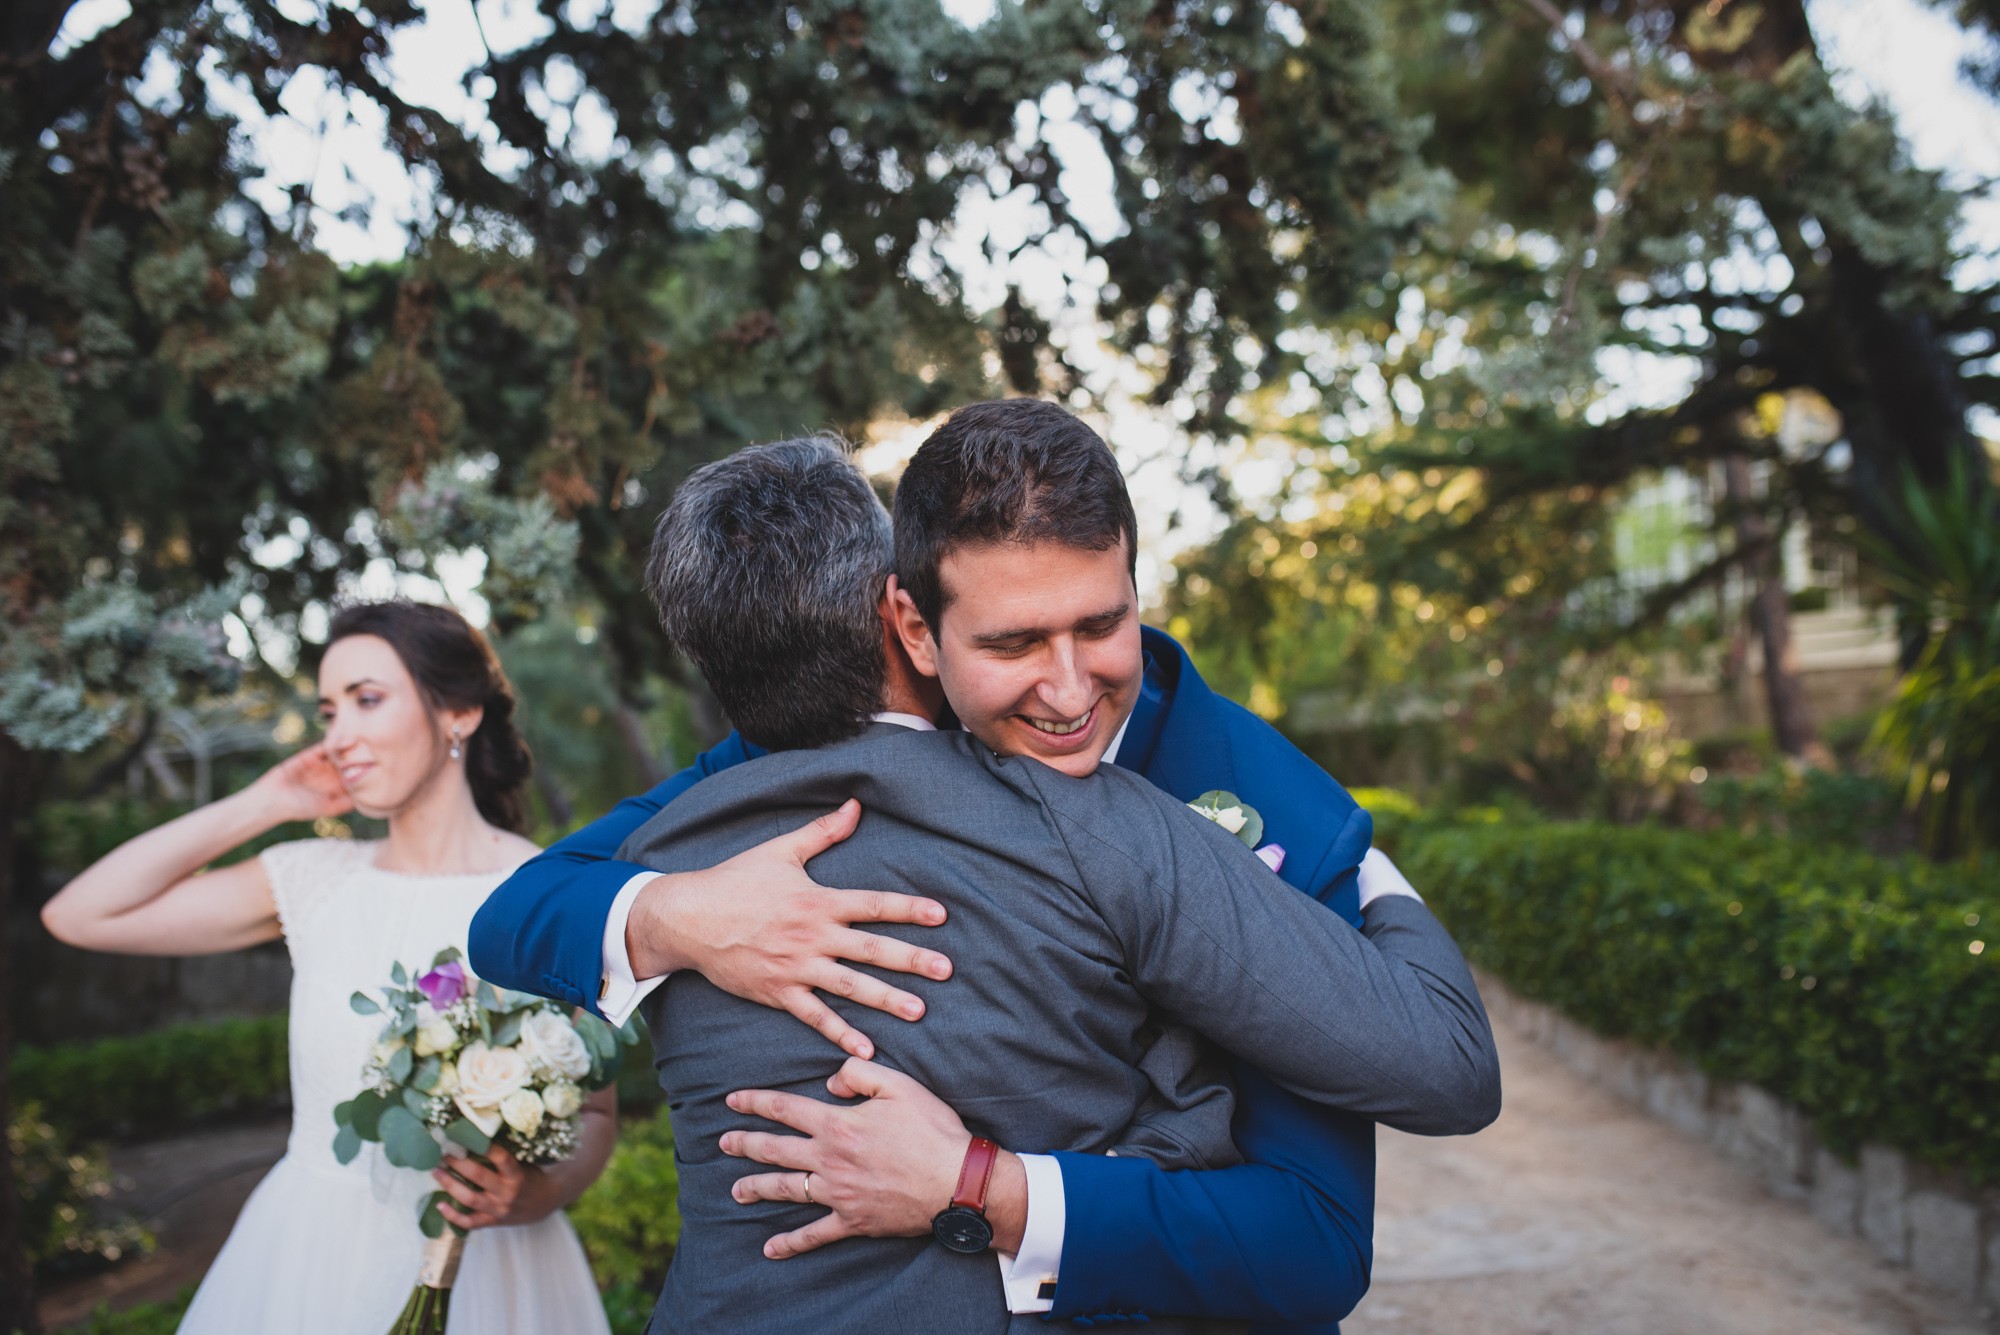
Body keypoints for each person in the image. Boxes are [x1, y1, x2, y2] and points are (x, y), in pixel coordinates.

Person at [471, 408, 1495, 1329]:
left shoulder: (1265, 816)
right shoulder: (785, 763)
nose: (1065, 689)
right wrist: (677, 917)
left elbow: (1309, 1246)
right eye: (1011, 644)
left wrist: (990, 1190)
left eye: (1100, 625)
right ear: (909, 627)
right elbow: (519, 912)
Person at [42, 600, 616, 1335]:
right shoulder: (314, 879)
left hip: (500, 1272)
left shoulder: (546, 898)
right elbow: (80, 914)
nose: (339, 736)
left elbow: (597, 1112)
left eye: (367, 700)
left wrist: (538, 1192)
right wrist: (265, 801)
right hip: (304, 1259)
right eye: (327, 713)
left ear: (460, 712)